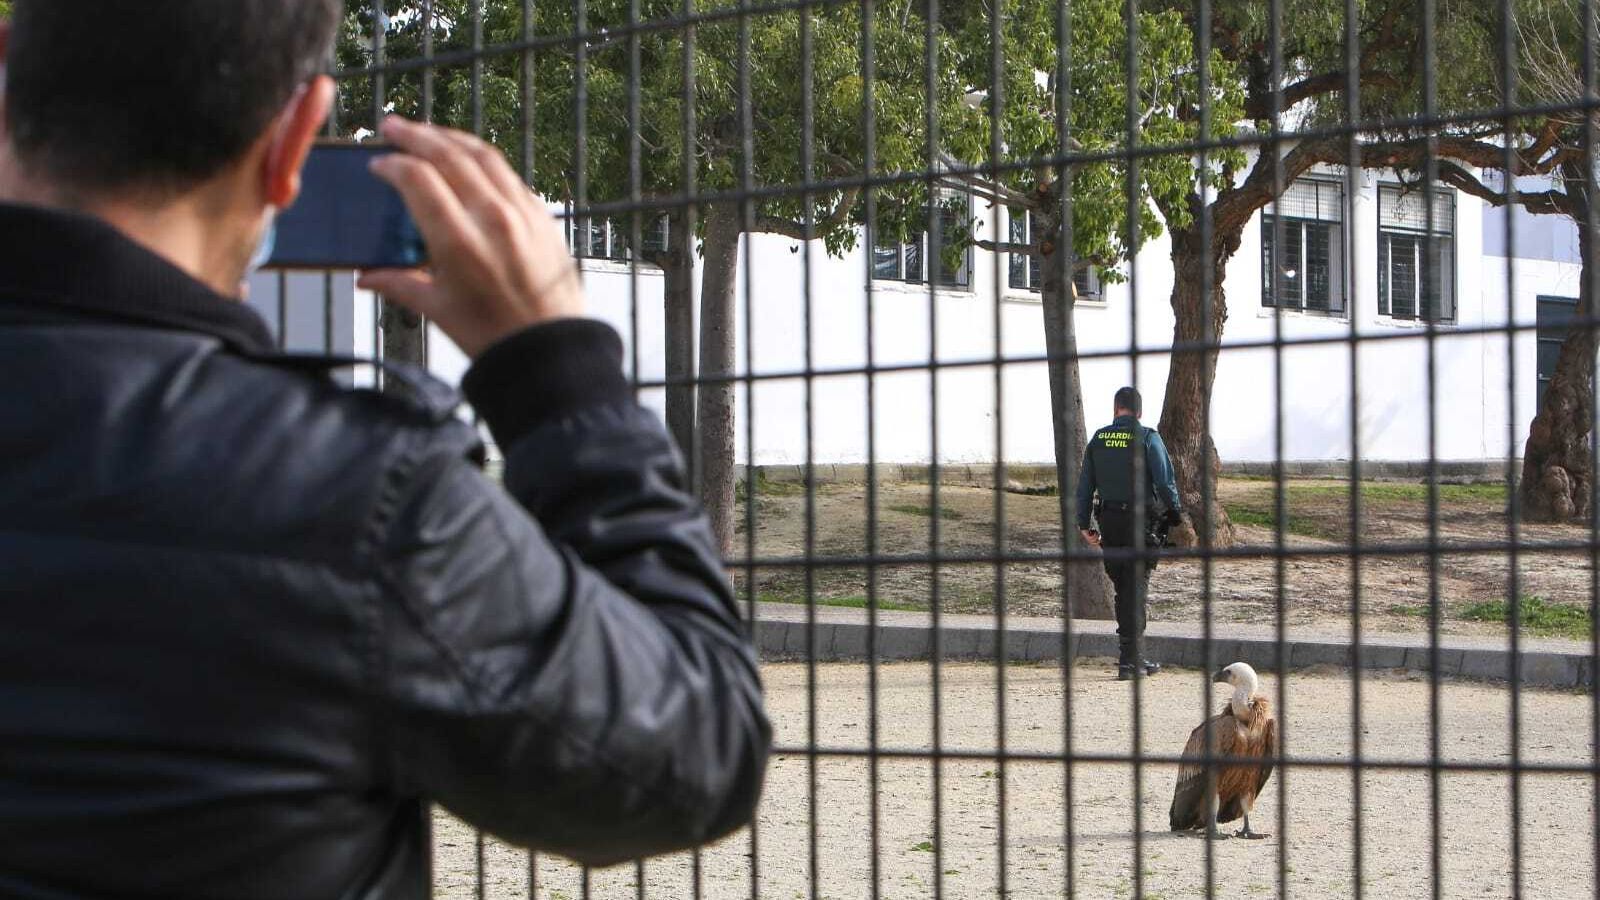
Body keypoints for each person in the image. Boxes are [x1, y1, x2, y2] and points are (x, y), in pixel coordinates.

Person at [0, 2, 770, 897]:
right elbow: (696, 753)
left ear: (6, 64)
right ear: (293, 139)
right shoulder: (361, 498)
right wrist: (557, 372)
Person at [1076, 386, 1183, 681]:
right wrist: (1175, 512)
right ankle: (1130, 661)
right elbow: (1164, 480)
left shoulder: (1099, 439)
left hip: (1109, 522)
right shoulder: (1148, 437)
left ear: (1115, 410)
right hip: (1141, 523)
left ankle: (1131, 657)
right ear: (1139, 412)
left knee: (1124, 588)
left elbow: (1085, 486)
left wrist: (1084, 525)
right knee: (1135, 589)